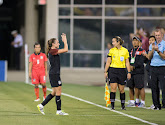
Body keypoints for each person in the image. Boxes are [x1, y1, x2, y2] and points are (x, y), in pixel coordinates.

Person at [37, 33, 69, 115]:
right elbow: (66, 49)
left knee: (54, 92)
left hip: (53, 74)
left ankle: (41, 105)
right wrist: (65, 41)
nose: (59, 43)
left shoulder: (53, 51)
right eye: (57, 42)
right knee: (58, 91)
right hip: (55, 74)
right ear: (53, 44)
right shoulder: (53, 51)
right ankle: (59, 111)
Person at [104, 36, 131, 110]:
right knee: (113, 89)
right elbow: (108, 62)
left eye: (114, 41)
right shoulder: (111, 50)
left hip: (122, 71)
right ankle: (112, 106)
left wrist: (129, 72)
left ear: (118, 42)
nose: (112, 43)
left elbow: (127, 62)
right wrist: (105, 71)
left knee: (121, 89)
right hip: (113, 71)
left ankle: (123, 106)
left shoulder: (125, 51)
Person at [147, 29, 165, 110]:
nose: (157, 37)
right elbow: (149, 57)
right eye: (156, 35)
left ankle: (164, 104)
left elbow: (164, 57)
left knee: (163, 87)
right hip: (153, 67)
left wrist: (158, 51)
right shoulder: (152, 44)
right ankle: (156, 105)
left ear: (162, 35)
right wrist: (153, 49)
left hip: (162, 67)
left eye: (158, 35)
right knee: (154, 87)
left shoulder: (164, 44)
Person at [127, 36, 146, 108]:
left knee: (140, 87)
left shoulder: (142, 51)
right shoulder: (130, 51)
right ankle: (132, 102)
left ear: (139, 42)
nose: (134, 42)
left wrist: (133, 66)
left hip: (139, 71)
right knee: (130, 86)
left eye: (136, 41)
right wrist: (129, 68)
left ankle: (143, 102)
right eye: (133, 41)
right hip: (131, 72)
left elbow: (141, 62)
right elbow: (127, 60)